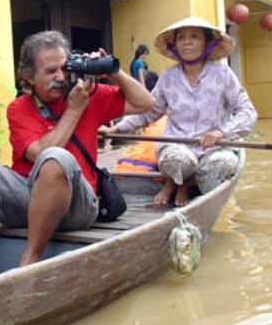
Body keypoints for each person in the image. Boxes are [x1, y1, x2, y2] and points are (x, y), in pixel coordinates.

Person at [0, 30, 155, 285]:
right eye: (50, 72)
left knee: (57, 158)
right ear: (29, 77)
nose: (60, 77)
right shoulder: (20, 108)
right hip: (29, 199)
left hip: (78, 206)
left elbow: (146, 103)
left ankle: (30, 260)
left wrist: (112, 71)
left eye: (63, 68)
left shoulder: (88, 94)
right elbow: (40, 155)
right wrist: (74, 110)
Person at [102, 16, 257, 207]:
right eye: (181, 37)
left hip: (213, 148)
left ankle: (184, 184)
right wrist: (116, 129)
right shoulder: (168, 77)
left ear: (207, 43)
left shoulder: (223, 74)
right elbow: (150, 112)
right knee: (178, 161)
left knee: (224, 163)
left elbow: (248, 111)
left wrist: (221, 132)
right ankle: (176, 182)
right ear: (174, 44)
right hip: (176, 148)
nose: (187, 42)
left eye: (194, 36)